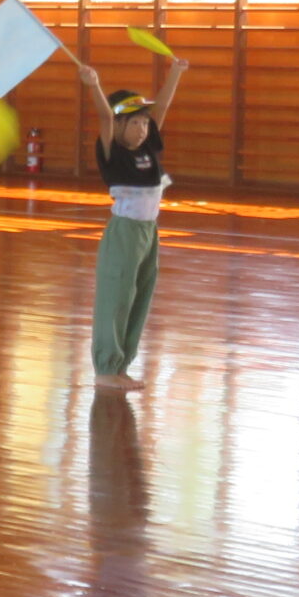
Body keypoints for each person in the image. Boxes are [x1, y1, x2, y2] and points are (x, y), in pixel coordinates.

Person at [73, 50, 189, 391]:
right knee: (117, 296)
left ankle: (121, 366)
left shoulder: (147, 148)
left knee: (139, 295)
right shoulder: (113, 152)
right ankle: (106, 367)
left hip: (148, 231)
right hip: (125, 232)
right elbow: (104, 116)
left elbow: (161, 109)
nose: (142, 129)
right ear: (119, 125)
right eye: (134, 123)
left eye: (144, 123)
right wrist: (94, 85)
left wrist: (176, 73)